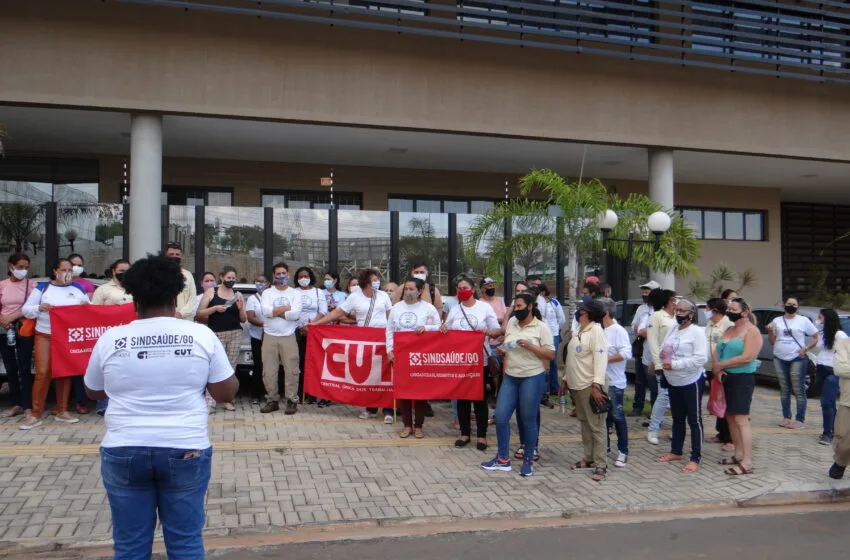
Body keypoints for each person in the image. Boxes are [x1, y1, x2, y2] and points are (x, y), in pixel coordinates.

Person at [83, 254, 238, 559]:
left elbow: (92, 390)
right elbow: (225, 393)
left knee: (129, 545)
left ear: (134, 296)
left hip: (124, 448)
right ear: (177, 292)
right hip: (185, 448)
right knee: (185, 544)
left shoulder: (111, 339)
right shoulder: (200, 335)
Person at [481, 293, 554, 477]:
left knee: (528, 419)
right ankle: (503, 459)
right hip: (511, 376)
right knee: (501, 416)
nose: (516, 310)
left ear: (530, 307)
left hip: (532, 376)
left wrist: (531, 346)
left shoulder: (541, 327)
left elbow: (551, 355)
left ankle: (528, 459)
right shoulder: (512, 322)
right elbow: (508, 343)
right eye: (515, 307)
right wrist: (502, 349)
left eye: (520, 306)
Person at [312, 269, 394, 421]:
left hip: (383, 339)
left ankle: (388, 410)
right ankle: (371, 408)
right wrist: (317, 324)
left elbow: (391, 317)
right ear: (366, 282)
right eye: (374, 280)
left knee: (384, 375)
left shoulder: (383, 296)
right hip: (365, 340)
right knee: (369, 375)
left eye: (377, 280)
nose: (377, 282)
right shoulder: (354, 297)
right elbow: (337, 313)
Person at [20, 258, 90, 429]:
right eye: (64, 270)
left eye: (70, 270)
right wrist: (40, 308)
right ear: (55, 271)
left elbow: (91, 310)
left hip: (66, 338)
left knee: (64, 373)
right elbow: (26, 310)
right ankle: (36, 413)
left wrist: (85, 306)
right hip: (45, 335)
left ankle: (62, 410)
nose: (67, 273)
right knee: (43, 373)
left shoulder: (77, 289)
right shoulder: (42, 289)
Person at [442, 276, 502, 450]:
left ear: (473, 288)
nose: (462, 290)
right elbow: (447, 329)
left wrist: (488, 332)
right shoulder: (455, 309)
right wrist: (443, 328)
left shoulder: (484, 308)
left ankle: (482, 435)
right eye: (459, 288)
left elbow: (496, 331)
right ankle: (464, 433)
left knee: (480, 398)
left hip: (479, 362)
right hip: (460, 362)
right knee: (462, 398)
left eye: (465, 287)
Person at [655, 299, 707, 473]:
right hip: (673, 381)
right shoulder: (673, 328)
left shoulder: (697, 332)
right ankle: (676, 451)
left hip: (691, 381)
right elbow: (665, 348)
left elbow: (701, 359)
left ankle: (695, 457)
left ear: (691, 314)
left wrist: (676, 365)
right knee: (677, 418)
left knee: (694, 419)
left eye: (682, 311)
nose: (678, 314)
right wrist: (663, 356)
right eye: (676, 310)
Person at [386, 278, 441, 438]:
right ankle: (407, 425)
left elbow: (439, 327)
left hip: (420, 356)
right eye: (406, 289)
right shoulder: (396, 308)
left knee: (420, 392)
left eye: (411, 289)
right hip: (401, 355)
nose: (408, 292)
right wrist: (389, 350)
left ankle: (418, 425)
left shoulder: (428, 308)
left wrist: (426, 328)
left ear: (419, 290)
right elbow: (389, 330)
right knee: (404, 392)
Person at [713, 297, 762, 475]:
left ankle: (747, 461)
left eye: (734, 309)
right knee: (731, 418)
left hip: (743, 379)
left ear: (744, 312)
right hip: (726, 378)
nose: (730, 312)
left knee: (741, 419)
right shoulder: (729, 328)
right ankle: (738, 454)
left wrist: (721, 365)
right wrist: (717, 368)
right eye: (729, 309)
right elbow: (718, 350)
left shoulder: (752, 331)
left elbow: (748, 357)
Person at [565, 299, 609, 482]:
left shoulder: (596, 331)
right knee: (584, 423)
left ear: (589, 313)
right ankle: (589, 458)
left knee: (596, 426)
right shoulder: (579, 331)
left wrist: (597, 385)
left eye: (581, 310)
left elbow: (601, 359)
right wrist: (565, 379)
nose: (578, 312)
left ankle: (601, 463)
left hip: (590, 386)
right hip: (576, 385)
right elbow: (572, 357)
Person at [196, 266, 246, 413]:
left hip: (235, 333)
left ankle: (228, 400)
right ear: (222, 277)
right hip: (216, 334)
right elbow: (199, 313)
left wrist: (241, 308)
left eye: (233, 278)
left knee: (230, 368)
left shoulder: (238, 295)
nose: (231, 280)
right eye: (229, 278)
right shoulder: (212, 292)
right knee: (213, 367)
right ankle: (210, 402)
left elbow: (243, 319)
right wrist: (214, 309)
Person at [768, 296, 818, 429]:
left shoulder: (803, 320)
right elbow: (772, 341)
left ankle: (800, 419)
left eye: (794, 304)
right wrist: (769, 332)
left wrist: (806, 349)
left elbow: (815, 337)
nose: (791, 306)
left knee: (798, 389)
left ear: (798, 307)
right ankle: (786, 417)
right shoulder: (777, 320)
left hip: (797, 358)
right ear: (784, 305)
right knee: (784, 389)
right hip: (779, 357)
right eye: (789, 303)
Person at [259, 263, 303, 415]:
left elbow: (296, 314)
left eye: (284, 273)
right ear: (273, 276)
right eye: (278, 274)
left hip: (288, 336)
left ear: (288, 274)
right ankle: (272, 400)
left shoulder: (295, 293)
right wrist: (286, 308)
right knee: (269, 371)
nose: (281, 276)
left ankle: (292, 400)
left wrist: (275, 311)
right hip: (270, 336)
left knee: (292, 370)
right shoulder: (267, 293)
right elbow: (265, 312)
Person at [91, 258, 133, 416]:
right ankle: (103, 404)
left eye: (127, 271)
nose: (125, 274)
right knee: (108, 370)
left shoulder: (136, 289)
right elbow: (93, 311)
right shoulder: (102, 290)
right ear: (113, 271)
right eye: (121, 271)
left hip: (131, 337)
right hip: (109, 337)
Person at [0, 253, 36, 421]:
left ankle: (28, 406)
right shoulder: (2, 285)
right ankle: (16, 404)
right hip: (4, 330)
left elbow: (31, 307)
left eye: (26, 268)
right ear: (11, 267)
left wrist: (12, 317)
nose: (23, 271)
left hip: (23, 330)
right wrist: (3, 321)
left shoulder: (31, 285)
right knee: (11, 368)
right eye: (20, 267)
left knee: (24, 368)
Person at [599, 297, 631, 468]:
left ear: (605, 313)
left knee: (617, 416)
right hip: (599, 381)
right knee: (602, 417)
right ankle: (605, 446)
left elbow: (626, 353)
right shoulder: (598, 329)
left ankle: (623, 450)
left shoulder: (619, 331)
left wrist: (605, 360)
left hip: (614, 382)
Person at [646, 288, 678, 445]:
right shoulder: (657, 316)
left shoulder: (678, 317)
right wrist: (657, 363)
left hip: (678, 363)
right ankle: (653, 429)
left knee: (677, 398)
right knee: (664, 396)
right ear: (668, 300)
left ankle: (676, 430)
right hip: (663, 363)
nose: (676, 302)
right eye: (674, 299)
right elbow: (652, 341)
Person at [294, 266, 327, 404]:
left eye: (306, 276)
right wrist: (301, 327)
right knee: (300, 363)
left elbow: (323, 311)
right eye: (300, 276)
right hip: (298, 332)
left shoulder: (318, 292)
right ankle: (302, 393)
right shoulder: (293, 292)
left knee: (314, 363)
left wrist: (311, 325)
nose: (303, 279)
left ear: (311, 277)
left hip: (314, 333)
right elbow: (291, 310)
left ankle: (313, 393)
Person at [704, 297, 734, 451]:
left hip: (723, 369)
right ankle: (721, 433)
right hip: (710, 368)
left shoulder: (728, 325)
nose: (705, 312)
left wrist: (721, 367)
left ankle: (731, 438)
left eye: (707, 309)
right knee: (717, 400)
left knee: (727, 403)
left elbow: (728, 349)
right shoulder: (709, 324)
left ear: (715, 310)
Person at [814, 309, 846, 445]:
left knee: (826, 402)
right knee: (829, 403)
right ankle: (833, 430)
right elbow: (818, 346)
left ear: (827, 318)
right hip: (821, 368)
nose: (818, 319)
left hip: (833, 371)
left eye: (820, 317)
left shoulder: (840, 335)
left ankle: (827, 434)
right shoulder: (823, 333)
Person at [68, 253, 95, 414]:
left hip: (81, 331)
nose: (76, 267)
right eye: (73, 264)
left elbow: (89, 307)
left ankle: (82, 401)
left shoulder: (87, 285)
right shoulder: (60, 284)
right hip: (64, 329)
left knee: (81, 367)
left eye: (80, 264)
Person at [630, 280, 661, 416]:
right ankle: (638, 407)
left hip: (653, 351)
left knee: (653, 383)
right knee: (639, 381)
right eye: (643, 292)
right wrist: (638, 330)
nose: (644, 294)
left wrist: (647, 333)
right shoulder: (641, 309)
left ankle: (655, 410)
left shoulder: (660, 310)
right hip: (641, 348)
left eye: (647, 292)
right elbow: (634, 325)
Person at [245, 274, 268, 406]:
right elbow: (251, 317)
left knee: (270, 366)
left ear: (268, 283)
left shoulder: (271, 297)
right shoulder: (252, 299)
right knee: (258, 365)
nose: (260, 284)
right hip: (257, 337)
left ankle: (268, 392)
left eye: (263, 281)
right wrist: (265, 325)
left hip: (271, 336)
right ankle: (255, 394)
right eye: (258, 281)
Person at [539, 284, 565, 400]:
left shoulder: (554, 302)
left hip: (553, 334)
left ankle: (554, 387)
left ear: (543, 292)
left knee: (552, 362)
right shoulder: (537, 304)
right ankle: (543, 389)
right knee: (542, 362)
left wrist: (556, 330)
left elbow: (562, 319)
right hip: (540, 335)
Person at [830, 336, 850, 479]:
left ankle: (839, 465)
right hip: (847, 401)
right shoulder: (843, 343)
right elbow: (840, 368)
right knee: (842, 438)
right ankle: (840, 462)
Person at [165, 242, 197, 321]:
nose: (174, 256)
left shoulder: (188, 275)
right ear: (165, 256)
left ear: (181, 256)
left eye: (177, 254)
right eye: (171, 254)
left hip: (185, 320)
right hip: (166, 319)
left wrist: (180, 314)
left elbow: (192, 299)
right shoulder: (158, 274)